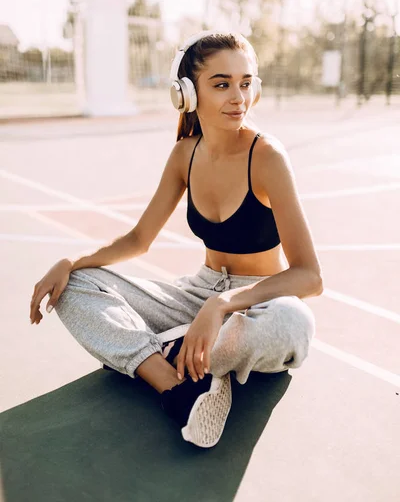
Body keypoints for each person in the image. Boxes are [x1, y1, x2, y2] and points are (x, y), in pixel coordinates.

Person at [29, 31, 323, 449]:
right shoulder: (184, 155)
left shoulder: (268, 157)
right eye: (221, 84)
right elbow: (138, 238)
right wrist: (72, 262)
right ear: (186, 94)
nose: (238, 96)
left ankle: (153, 352)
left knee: (294, 324)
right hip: (196, 294)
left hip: (258, 302)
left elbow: (310, 277)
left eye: (245, 82)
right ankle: (176, 386)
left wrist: (221, 305)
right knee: (74, 288)